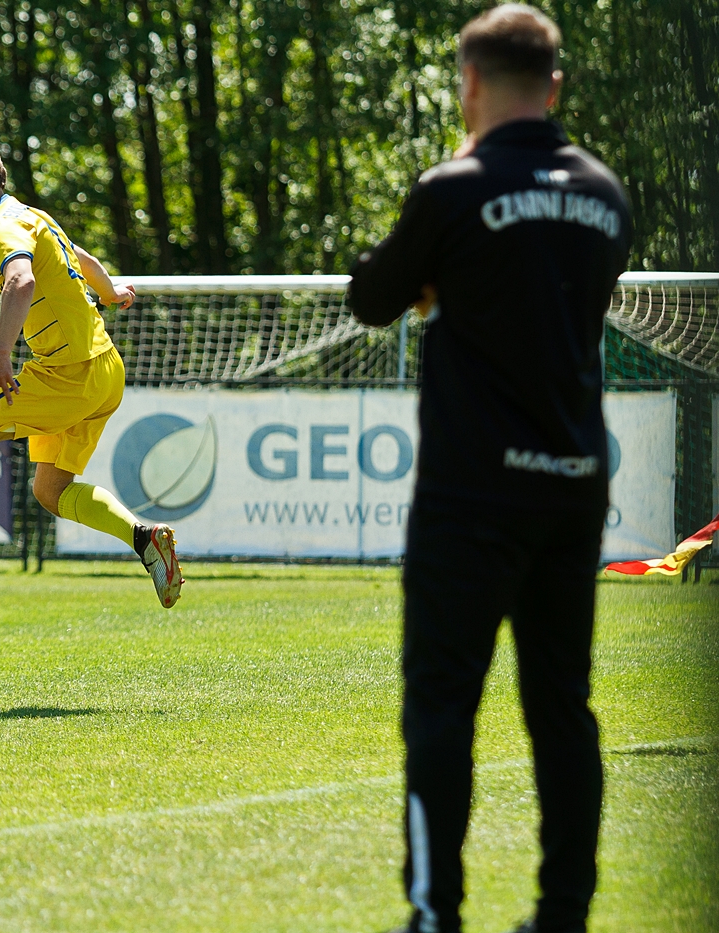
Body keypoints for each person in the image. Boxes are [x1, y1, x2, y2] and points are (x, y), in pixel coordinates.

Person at [348, 6, 631, 933]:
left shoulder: (453, 189)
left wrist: (440, 279)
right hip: (573, 484)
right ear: (556, 86)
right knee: (562, 707)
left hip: (472, 492)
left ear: (469, 84)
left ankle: (436, 916)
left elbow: (372, 298)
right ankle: (564, 916)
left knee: (442, 704)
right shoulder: (604, 192)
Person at [0, 132, 183, 608]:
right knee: (51, 491)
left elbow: (21, 281)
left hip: (67, 377)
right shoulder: (31, 215)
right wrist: (112, 292)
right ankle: (145, 538)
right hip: (105, 368)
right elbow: (82, 259)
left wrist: (0, 357)